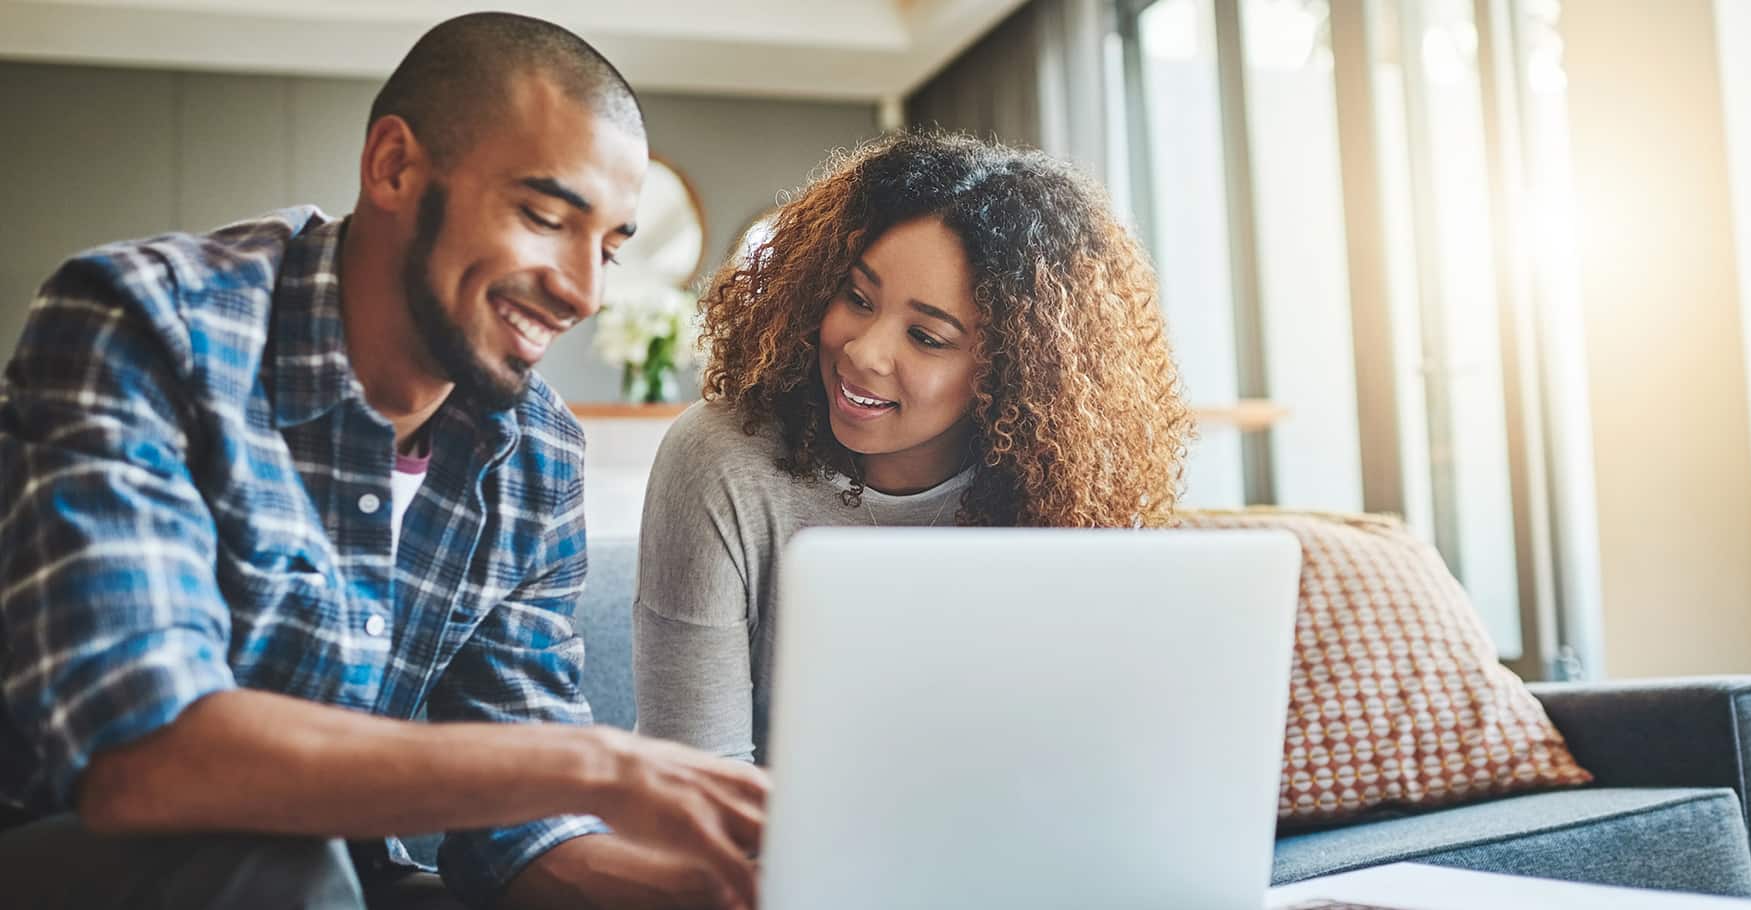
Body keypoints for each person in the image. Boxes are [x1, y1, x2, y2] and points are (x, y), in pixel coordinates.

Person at [0, 13, 766, 910]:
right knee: (282, 868)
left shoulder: (537, 453)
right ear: (394, 166)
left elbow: (520, 837)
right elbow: (141, 756)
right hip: (70, 850)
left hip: (341, 873)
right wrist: (598, 764)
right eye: (545, 217)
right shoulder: (147, 327)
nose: (583, 292)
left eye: (606, 248)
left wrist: (716, 887)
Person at [634, 130, 1194, 764]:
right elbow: (693, 780)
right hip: (761, 847)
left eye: (927, 338)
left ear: (1010, 369)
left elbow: (1097, 750)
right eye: (857, 298)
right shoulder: (722, 459)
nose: (864, 352)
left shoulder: (1067, 490)